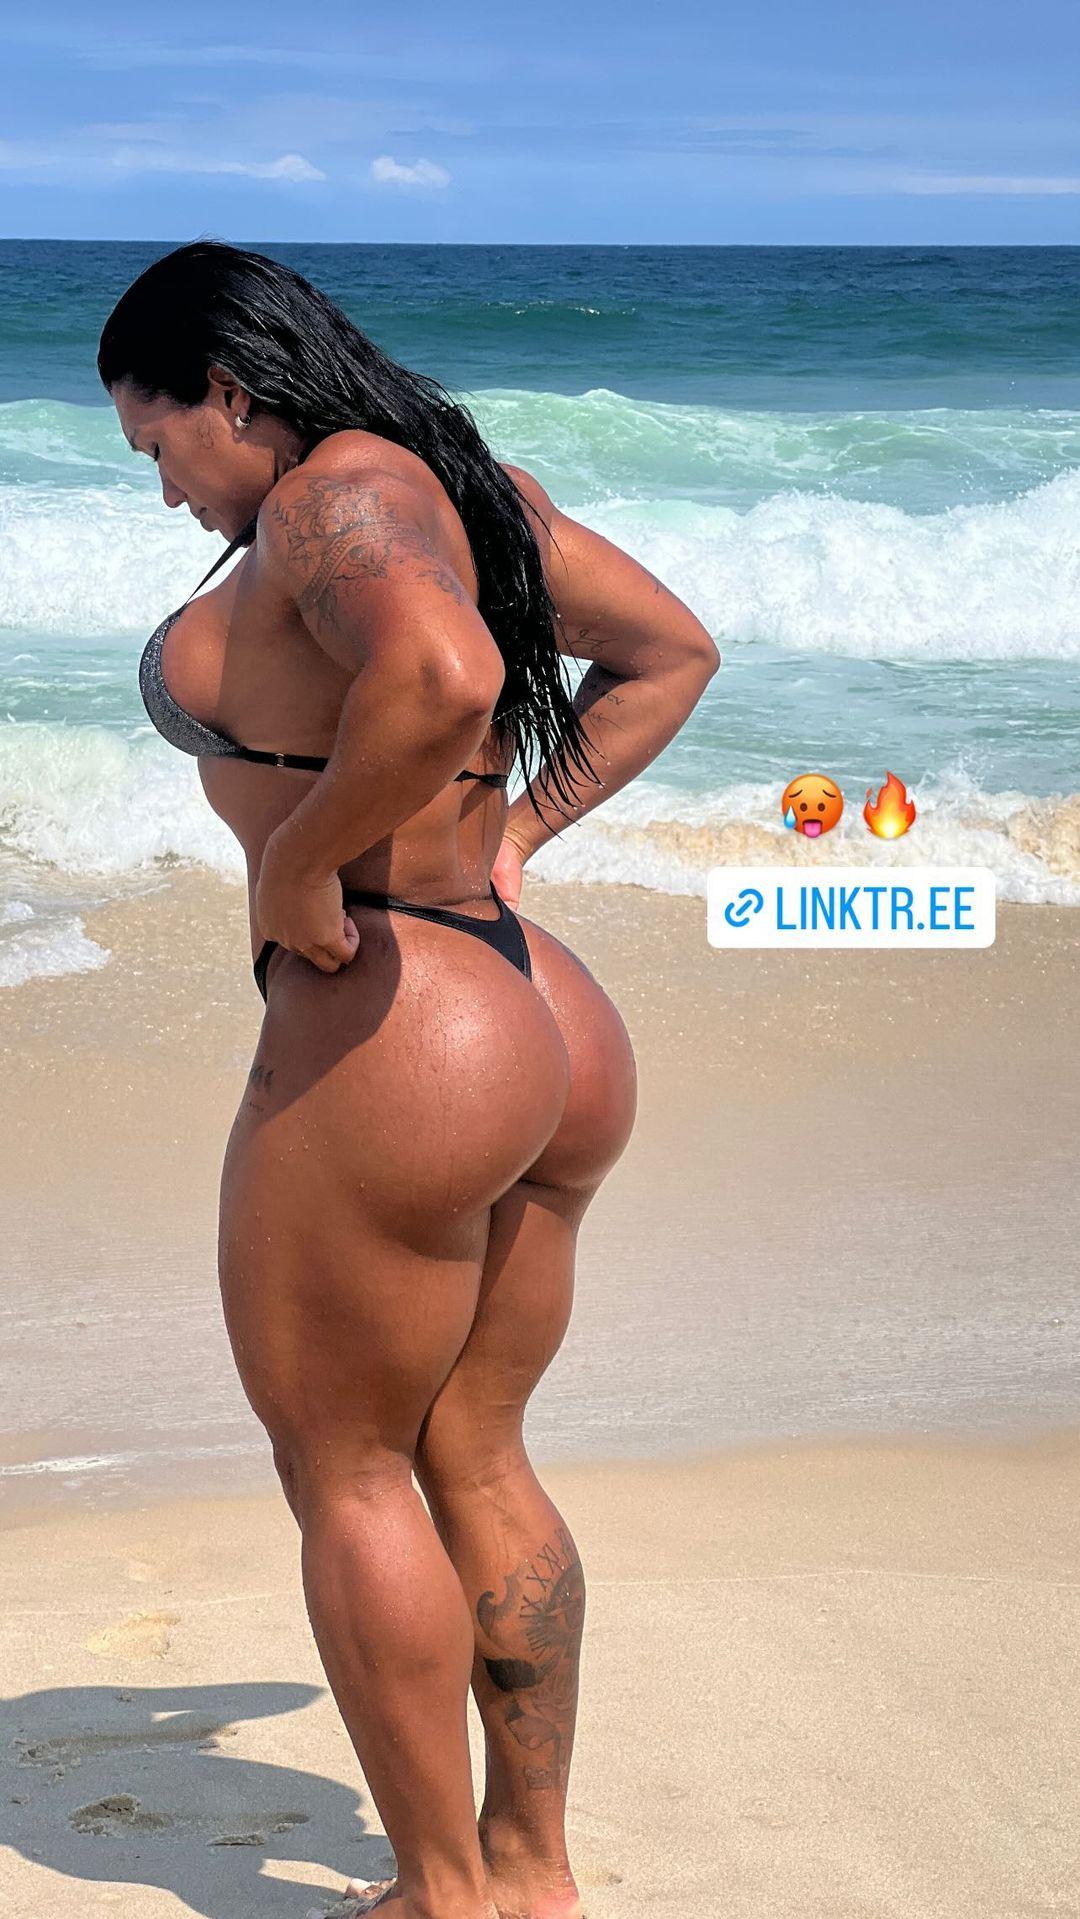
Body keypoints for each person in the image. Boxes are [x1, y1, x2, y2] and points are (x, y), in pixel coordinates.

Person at [98, 241, 721, 1919]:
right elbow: (671, 653)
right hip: (532, 1010)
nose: (165, 490)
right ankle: (527, 1870)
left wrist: (304, 861)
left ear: (230, 391)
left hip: (400, 1025)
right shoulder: (467, 489)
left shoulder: (334, 500)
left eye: (159, 443)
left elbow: (442, 678)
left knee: (349, 1466)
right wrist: (513, 843)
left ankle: (442, 1898)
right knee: (475, 1450)